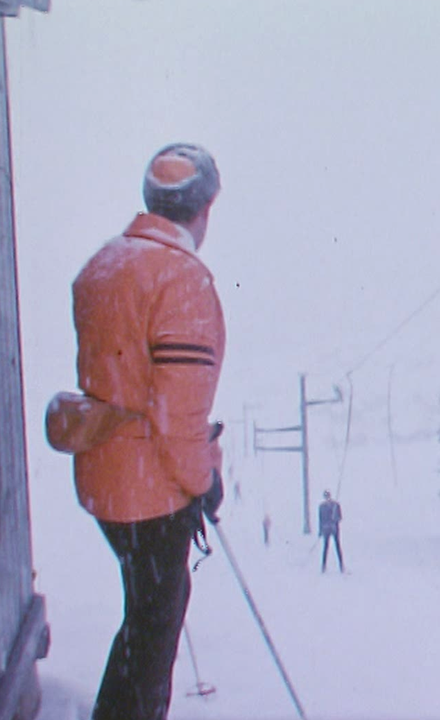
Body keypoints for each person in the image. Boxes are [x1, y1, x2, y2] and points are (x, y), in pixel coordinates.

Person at [70, 143, 226, 720]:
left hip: (103, 478)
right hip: (151, 491)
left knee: (148, 616)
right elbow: (178, 416)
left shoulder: (103, 266)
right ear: (203, 209)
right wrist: (204, 479)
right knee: (155, 628)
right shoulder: (182, 281)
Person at [318, 489, 344, 573]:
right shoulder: (321, 507)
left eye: (328, 496)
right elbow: (320, 520)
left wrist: (335, 518)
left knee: (337, 547)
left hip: (334, 529)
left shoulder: (336, 505)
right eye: (326, 497)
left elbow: (340, 517)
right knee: (325, 548)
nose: (327, 498)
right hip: (326, 530)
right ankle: (323, 566)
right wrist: (320, 530)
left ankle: (341, 565)